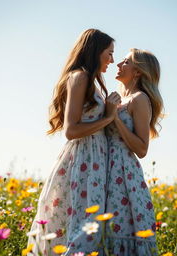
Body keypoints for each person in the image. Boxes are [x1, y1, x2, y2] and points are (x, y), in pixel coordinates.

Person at [27, 29, 121, 256]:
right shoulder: (80, 77)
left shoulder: (92, 82)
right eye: (109, 53)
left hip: (94, 159)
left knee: (88, 224)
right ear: (96, 51)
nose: (112, 60)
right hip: (83, 160)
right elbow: (70, 130)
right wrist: (108, 117)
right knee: (84, 225)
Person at [105, 48, 163, 256]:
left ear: (138, 72)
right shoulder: (118, 98)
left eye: (126, 62)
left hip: (124, 175)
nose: (119, 65)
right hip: (106, 170)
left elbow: (142, 148)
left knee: (121, 233)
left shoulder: (140, 99)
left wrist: (115, 119)